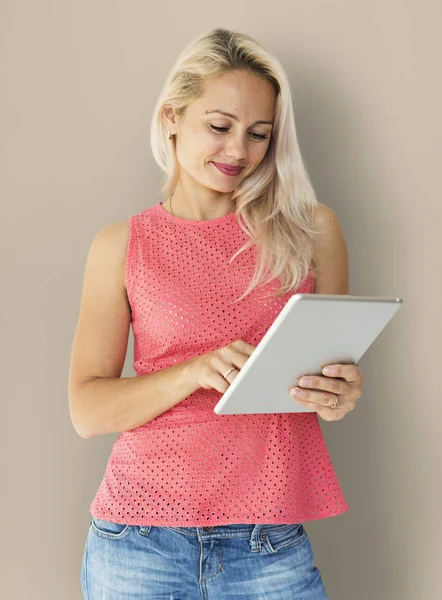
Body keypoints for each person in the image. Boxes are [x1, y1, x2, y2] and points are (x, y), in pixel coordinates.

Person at [69, 27, 364, 600]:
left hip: (269, 542)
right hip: (138, 541)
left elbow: (331, 381)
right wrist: (192, 371)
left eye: (259, 135)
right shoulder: (121, 245)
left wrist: (340, 395)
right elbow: (87, 409)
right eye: (220, 126)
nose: (238, 152)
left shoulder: (312, 231)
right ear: (172, 117)